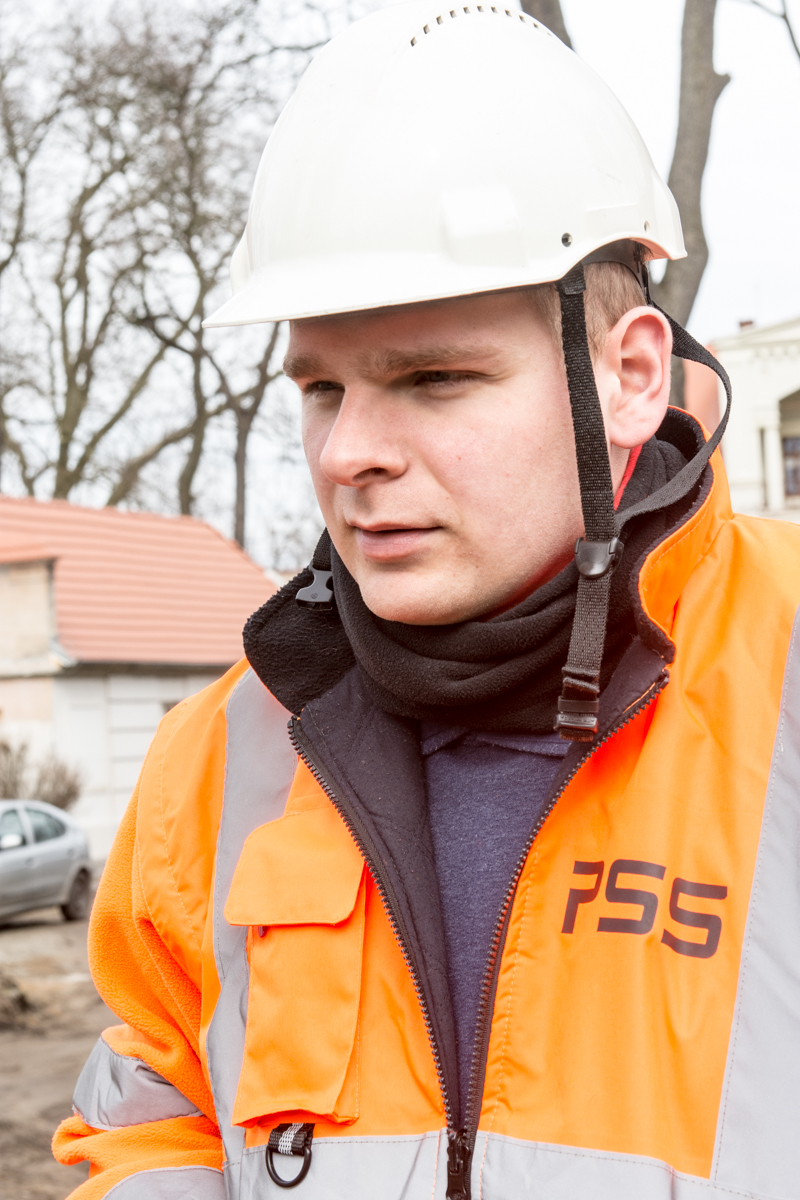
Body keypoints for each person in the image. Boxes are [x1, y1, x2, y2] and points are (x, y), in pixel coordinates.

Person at [54, 4, 800, 1199]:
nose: (348, 452)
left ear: (628, 376)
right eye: (320, 388)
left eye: (433, 379)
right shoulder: (223, 755)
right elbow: (156, 1115)